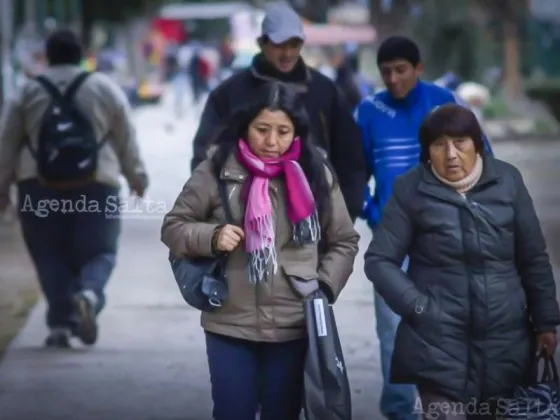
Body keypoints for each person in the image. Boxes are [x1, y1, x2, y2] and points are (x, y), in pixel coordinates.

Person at [162, 81, 359, 420]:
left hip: (294, 323)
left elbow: (344, 241)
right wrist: (212, 236)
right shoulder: (216, 170)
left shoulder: (315, 175)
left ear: (296, 132)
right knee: (232, 412)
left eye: (283, 131)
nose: (271, 142)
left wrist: (323, 289)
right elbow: (174, 226)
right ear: (245, 127)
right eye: (262, 130)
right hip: (229, 322)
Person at [364, 103, 560, 419]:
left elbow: (533, 257)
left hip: (506, 345)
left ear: (477, 144)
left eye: (460, 142)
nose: (451, 154)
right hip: (437, 346)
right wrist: (419, 306)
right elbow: (379, 260)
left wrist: (546, 322)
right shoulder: (411, 190)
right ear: (427, 152)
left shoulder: (508, 181)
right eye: (439, 145)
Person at [354, 36, 494, 420]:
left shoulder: (446, 105)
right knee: (394, 332)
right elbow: (351, 174)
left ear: (418, 68)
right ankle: (401, 412)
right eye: (386, 73)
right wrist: (370, 211)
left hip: (448, 239)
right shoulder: (369, 112)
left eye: (401, 70)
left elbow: (486, 165)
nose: (394, 79)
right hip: (392, 244)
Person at [0, 29, 148, 348]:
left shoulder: (27, 91)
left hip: (37, 186)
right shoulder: (104, 88)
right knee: (101, 251)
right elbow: (126, 136)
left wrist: (2, 187)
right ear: (81, 55)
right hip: (97, 183)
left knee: (48, 254)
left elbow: (7, 141)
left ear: (47, 56)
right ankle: (90, 293)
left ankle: (60, 327)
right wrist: (137, 176)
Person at [190, 3, 366, 222]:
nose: (287, 53)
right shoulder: (230, 93)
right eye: (280, 44)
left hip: (314, 219)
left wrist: (345, 213)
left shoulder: (324, 92)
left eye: (294, 44)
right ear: (263, 43)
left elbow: (350, 157)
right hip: (242, 219)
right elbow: (205, 154)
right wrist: (213, 212)